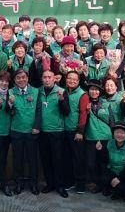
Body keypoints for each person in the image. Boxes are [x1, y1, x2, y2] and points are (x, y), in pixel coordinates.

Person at [7, 69, 41, 195]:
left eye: (23, 77)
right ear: (14, 80)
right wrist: (9, 104)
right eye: (18, 78)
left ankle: (34, 184)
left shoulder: (36, 91)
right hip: (16, 130)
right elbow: (7, 111)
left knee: (32, 159)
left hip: (32, 131)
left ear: (27, 78)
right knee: (18, 159)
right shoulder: (10, 92)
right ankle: (18, 184)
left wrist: (37, 126)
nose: (21, 80)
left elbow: (39, 110)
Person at [38, 70, 69, 198]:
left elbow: (66, 111)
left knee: (58, 161)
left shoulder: (62, 91)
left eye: (49, 77)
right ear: (41, 79)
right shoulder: (38, 91)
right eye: (44, 77)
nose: (47, 79)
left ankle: (60, 186)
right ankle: (49, 184)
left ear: (54, 79)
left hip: (57, 131)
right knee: (46, 160)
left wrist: (62, 100)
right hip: (42, 132)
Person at [95, 121, 125, 200]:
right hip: (112, 171)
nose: (119, 135)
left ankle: (115, 188)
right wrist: (100, 150)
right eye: (117, 132)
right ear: (113, 133)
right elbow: (104, 160)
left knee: (124, 191)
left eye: (122, 133)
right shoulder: (109, 143)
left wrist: (119, 178)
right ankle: (110, 186)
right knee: (104, 177)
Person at [62, 70, 89, 192]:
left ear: (78, 81)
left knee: (79, 158)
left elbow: (83, 114)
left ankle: (81, 184)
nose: (71, 81)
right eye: (69, 78)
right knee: (66, 158)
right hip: (64, 129)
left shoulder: (82, 94)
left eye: (74, 79)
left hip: (76, 131)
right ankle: (69, 181)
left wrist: (80, 132)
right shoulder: (64, 92)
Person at [84, 80, 113, 193]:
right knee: (91, 163)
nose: (94, 92)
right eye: (92, 89)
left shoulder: (106, 103)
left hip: (106, 136)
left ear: (100, 92)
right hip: (91, 136)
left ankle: (104, 185)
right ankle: (96, 183)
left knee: (104, 162)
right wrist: (86, 112)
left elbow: (111, 120)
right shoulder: (85, 102)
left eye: (96, 90)